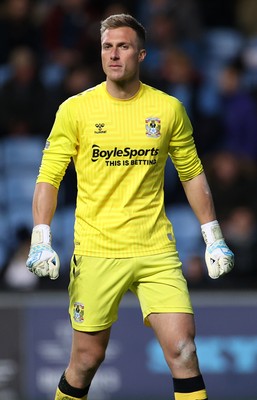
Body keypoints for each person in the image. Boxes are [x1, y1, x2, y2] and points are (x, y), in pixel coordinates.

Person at [26, 14, 234, 400]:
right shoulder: (76, 110)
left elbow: (191, 173)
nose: (114, 54)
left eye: (123, 46)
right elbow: (49, 177)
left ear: (141, 54)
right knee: (86, 360)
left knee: (184, 351)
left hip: (156, 249)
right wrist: (41, 237)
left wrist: (213, 237)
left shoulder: (168, 109)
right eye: (107, 46)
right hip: (96, 249)